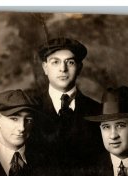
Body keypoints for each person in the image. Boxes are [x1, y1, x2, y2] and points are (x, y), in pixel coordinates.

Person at [33, 37, 103, 167]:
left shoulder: (97, 111)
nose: (63, 69)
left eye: (70, 62)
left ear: (79, 67)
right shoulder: (31, 109)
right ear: (45, 68)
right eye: (55, 62)